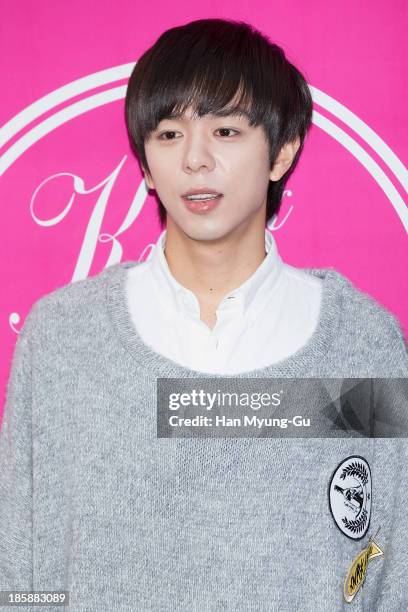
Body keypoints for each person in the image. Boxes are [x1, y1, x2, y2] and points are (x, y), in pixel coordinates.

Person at [0, 17, 407, 612]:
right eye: (168, 134)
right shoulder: (63, 338)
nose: (195, 159)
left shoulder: (360, 341)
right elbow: (22, 566)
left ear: (282, 151)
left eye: (226, 130)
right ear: (144, 161)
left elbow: (391, 565)